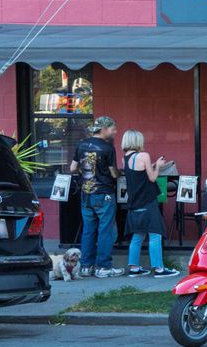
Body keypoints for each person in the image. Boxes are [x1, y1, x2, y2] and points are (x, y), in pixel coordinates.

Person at [70, 116, 124, 278]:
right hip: (103, 194)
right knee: (106, 231)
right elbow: (113, 173)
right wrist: (120, 173)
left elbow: (73, 168)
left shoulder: (81, 144)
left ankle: (86, 267)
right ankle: (103, 267)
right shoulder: (107, 148)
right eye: (113, 129)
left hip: (86, 194)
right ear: (104, 129)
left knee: (88, 230)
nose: (115, 132)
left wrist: (84, 173)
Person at [121, 130, 179, 278]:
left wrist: (151, 165)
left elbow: (138, 173)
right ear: (137, 141)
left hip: (134, 203)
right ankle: (159, 269)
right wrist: (158, 165)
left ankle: (134, 268)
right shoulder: (144, 155)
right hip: (147, 201)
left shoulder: (125, 159)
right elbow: (152, 178)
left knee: (138, 235)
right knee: (155, 235)